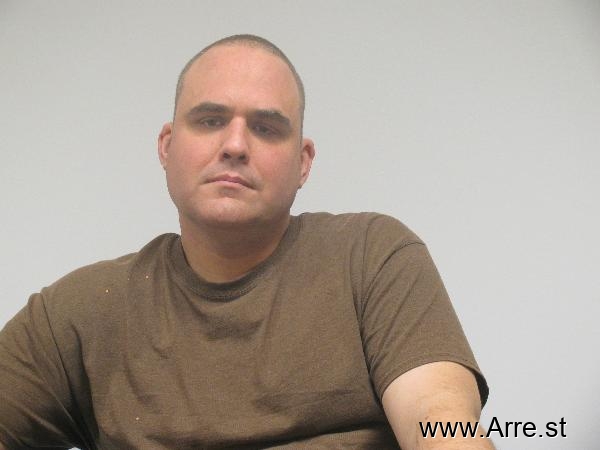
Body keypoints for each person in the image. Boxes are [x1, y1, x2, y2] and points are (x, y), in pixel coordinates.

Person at [0, 34, 493, 449]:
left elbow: (441, 423)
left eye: (266, 128)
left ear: (303, 162)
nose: (235, 145)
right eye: (210, 120)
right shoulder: (80, 313)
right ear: (167, 146)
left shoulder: (372, 256)